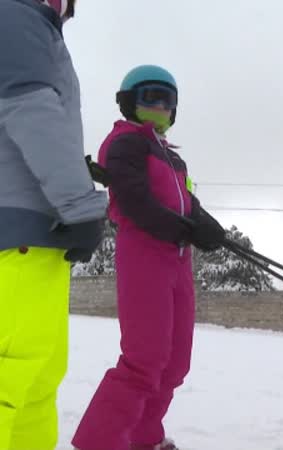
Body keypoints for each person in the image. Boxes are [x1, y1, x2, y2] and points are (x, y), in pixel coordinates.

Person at [71, 65, 227, 450]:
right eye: (150, 97)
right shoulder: (125, 143)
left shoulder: (174, 159)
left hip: (178, 261)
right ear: (128, 103)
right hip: (143, 253)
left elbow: (188, 205)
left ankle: (144, 437)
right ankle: (100, 442)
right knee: (145, 359)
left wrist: (209, 227)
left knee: (176, 362)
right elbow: (134, 201)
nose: (159, 106)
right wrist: (184, 228)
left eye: (167, 100)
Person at [0, 1, 108, 449]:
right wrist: (80, 203)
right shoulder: (16, 15)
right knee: (15, 378)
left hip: (35, 235)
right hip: (20, 233)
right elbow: (31, 109)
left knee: (36, 381)